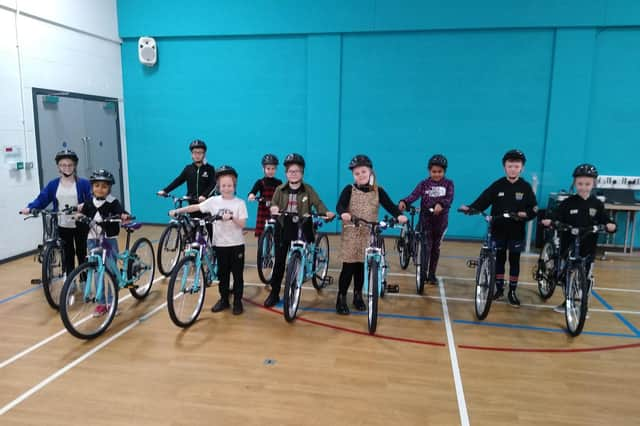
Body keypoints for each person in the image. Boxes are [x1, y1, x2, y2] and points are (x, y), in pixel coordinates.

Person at [459, 149, 537, 307]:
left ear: (521, 168)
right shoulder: (498, 185)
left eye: (516, 166)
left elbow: (533, 209)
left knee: (514, 261)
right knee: (499, 259)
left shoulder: (526, 187)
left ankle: (512, 291)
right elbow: (484, 199)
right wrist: (470, 208)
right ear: (504, 167)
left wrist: (525, 214)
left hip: (516, 231)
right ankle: (500, 288)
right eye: (510, 166)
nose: (513, 169)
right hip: (498, 229)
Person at [170, 166, 248, 315]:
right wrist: (178, 211)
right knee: (223, 275)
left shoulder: (239, 203)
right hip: (219, 244)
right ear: (218, 186)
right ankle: (224, 299)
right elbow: (196, 207)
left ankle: (237, 302)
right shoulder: (213, 201)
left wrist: (232, 217)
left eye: (229, 185)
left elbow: (243, 224)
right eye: (223, 185)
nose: (226, 188)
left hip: (236, 245)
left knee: (237, 275)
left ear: (234, 186)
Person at [336, 155, 407, 314]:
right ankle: (341, 298)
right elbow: (340, 205)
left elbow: (389, 205)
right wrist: (343, 213)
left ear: (370, 172)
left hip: (368, 233)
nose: (360, 175)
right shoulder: (349, 189)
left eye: (363, 172)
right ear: (353, 175)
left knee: (361, 266)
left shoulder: (378, 191)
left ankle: (357, 295)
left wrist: (398, 215)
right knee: (348, 266)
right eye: (357, 173)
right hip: (351, 233)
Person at [263, 153, 335, 307]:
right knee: (279, 262)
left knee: (303, 251)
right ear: (286, 174)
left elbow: (318, 203)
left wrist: (326, 212)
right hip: (284, 226)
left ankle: (303, 271)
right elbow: (274, 203)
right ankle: (274, 293)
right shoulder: (280, 189)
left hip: (302, 224)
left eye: (297, 171)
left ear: (302, 173)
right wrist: (274, 208)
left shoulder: (308, 189)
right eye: (290, 171)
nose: (293, 174)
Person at [541, 164, 616, 312]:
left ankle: (582, 304)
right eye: (580, 184)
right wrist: (550, 220)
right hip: (568, 243)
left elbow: (606, 219)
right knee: (565, 273)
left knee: (585, 276)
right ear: (575, 183)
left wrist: (610, 224)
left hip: (588, 246)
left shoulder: (597, 204)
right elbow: (555, 215)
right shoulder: (568, 203)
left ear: (593, 184)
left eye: (587, 184)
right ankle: (567, 300)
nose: (583, 187)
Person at [20, 149, 91, 275]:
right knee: (68, 253)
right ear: (58, 167)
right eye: (63, 165)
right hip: (63, 224)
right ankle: (70, 281)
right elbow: (42, 198)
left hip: (80, 223)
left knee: (81, 252)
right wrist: (30, 208)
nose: (67, 168)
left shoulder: (83, 184)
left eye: (70, 165)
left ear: (74, 166)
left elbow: (92, 200)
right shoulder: (53, 185)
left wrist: (84, 206)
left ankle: (84, 278)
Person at [398, 154, 454, 287]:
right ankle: (422, 272)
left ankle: (431, 274)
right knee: (426, 247)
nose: (436, 174)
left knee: (435, 248)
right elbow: (414, 195)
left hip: (441, 222)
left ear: (444, 172)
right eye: (434, 171)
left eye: (440, 172)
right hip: (426, 219)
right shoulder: (424, 184)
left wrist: (440, 204)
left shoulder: (449, 184)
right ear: (429, 171)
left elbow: (449, 198)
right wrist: (404, 201)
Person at [80, 169, 130, 316]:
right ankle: (101, 303)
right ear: (92, 187)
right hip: (92, 239)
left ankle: (111, 301)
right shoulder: (89, 203)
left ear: (109, 188)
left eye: (104, 186)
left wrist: (123, 215)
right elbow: (82, 213)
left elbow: (121, 211)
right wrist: (77, 215)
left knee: (110, 270)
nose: (100, 189)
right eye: (96, 186)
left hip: (108, 240)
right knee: (97, 272)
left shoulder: (113, 202)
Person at [248, 153, 282, 236]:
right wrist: (252, 195)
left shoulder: (279, 182)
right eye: (268, 168)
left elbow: (282, 194)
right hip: (263, 209)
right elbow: (253, 191)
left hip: (275, 209)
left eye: (273, 169)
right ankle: (261, 246)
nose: (270, 171)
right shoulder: (260, 182)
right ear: (263, 169)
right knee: (262, 233)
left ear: (276, 169)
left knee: (277, 232)